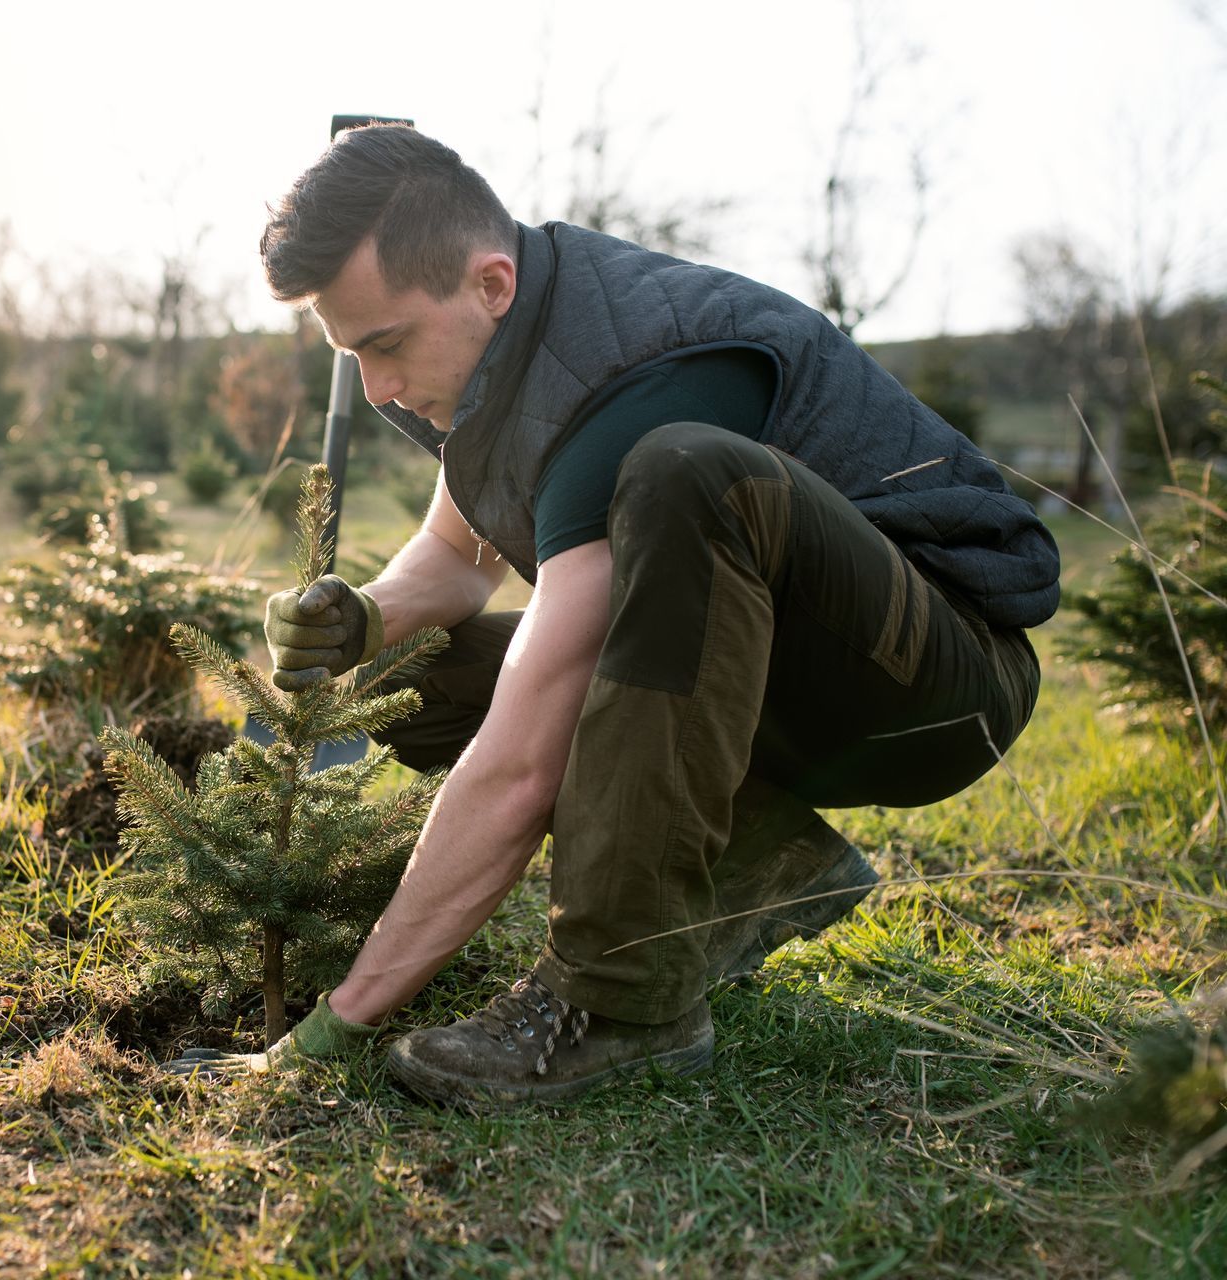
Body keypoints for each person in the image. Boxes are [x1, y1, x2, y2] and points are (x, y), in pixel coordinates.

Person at [173, 124, 1058, 1104]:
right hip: (762, 673)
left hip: (931, 680)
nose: (378, 388)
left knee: (687, 472)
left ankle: (620, 999)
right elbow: (458, 554)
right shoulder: (499, 351)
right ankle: (759, 855)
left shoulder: (631, 373)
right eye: (354, 357)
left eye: (386, 345)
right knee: (405, 676)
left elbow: (521, 763)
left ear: (490, 283)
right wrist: (365, 619)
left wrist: (342, 1018)